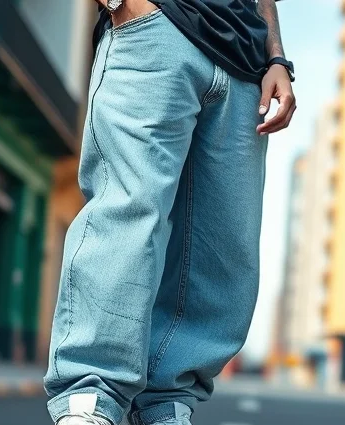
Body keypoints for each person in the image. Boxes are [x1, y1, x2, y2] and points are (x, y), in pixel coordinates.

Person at [44, 0, 295, 424]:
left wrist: (277, 58)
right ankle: (89, 399)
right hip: (157, 29)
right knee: (128, 216)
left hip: (246, 65)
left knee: (223, 246)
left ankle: (167, 404)